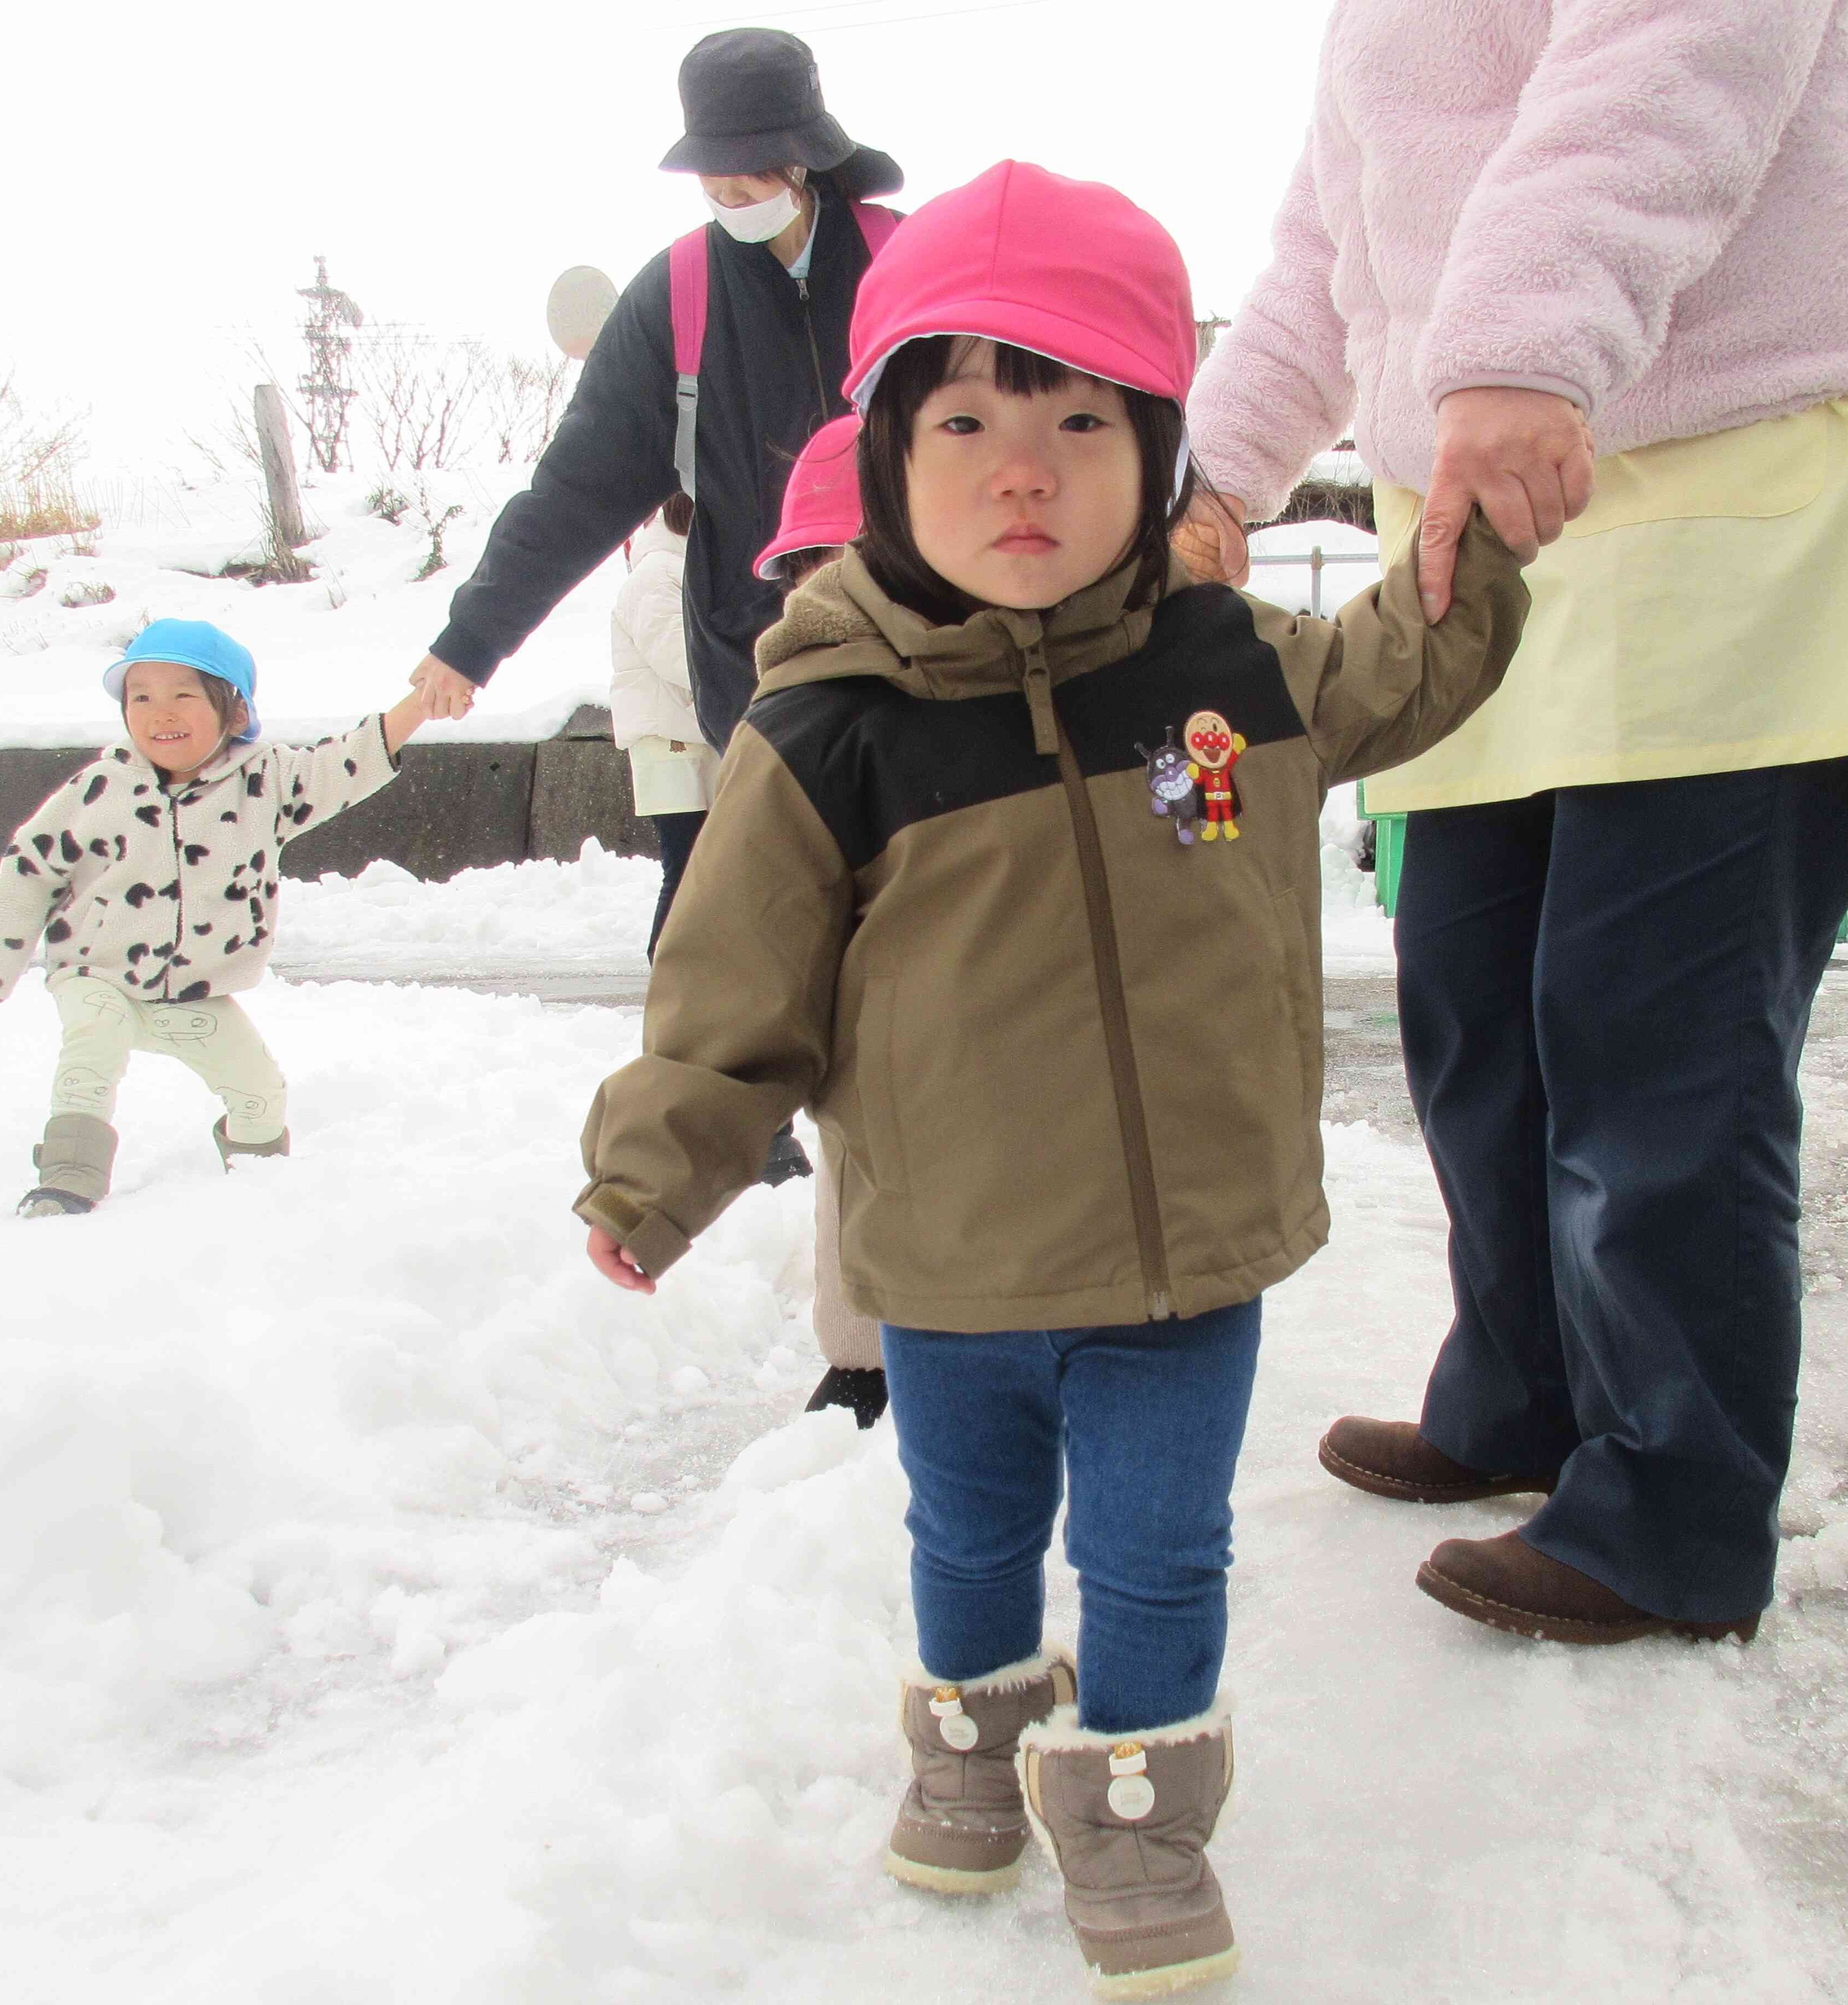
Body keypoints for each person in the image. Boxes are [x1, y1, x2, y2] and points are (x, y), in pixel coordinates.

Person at [574, 162, 1529, 1994]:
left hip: (1184, 1258)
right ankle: (968, 1748)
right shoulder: (828, 729)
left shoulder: (1219, 668)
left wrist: (1474, 534)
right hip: (952, 1271)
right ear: (884, 455)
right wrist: (654, 1168)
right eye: (964, 422)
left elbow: (1396, 677)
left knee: (1162, 1552)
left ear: (1157, 449)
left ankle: (1139, 1820)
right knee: (971, 1533)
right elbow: (728, 989)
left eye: (1080, 420)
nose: (1023, 470)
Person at [1188, 0, 1848, 1648]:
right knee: (1478, 1008)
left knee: (1657, 1034)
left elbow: (1672, 54)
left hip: (1711, 465)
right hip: (1475, 518)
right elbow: (1334, 235)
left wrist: (1525, 338)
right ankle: (1526, 1391)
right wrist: (1213, 478)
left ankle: (1675, 1508)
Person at [407, 25, 901, 762]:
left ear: (805, 155)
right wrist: (473, 639)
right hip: (760, 675)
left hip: (922, 649)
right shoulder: (677, 296)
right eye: (711, 171)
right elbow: (579, 487)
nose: (728, 192)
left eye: (751, 170)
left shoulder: (905, 263)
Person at [0, 619, 429, 1215]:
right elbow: (31, 868)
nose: (161, 713)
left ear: (234, 711)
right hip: (96, 973)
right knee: (92, 1049)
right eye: (141, 698)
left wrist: (422, 703)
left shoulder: (267, 783)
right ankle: (67, 1181)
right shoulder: (101, 788)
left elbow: (348, 763)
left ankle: (260, 1181)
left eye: (183, 694)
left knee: (260, 1091)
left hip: (194, 993)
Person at [751, 414, 891, 1427]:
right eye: (807, 572)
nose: (825, 595)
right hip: (859, 1024)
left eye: (846, 566)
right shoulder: (794, 714)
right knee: (852, 1165)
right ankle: (860, 1363)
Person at [609, 492, 716, 957]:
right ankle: (667, 964)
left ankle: (685, 970)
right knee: (687, 865)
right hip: (671, 745)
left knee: (699, 865)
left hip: (685, 742)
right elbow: (679, 658)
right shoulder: (657, 575)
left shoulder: (677, 570)